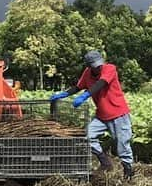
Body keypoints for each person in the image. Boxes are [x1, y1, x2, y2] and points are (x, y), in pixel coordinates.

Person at [50, 50, 134, 178]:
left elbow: (101, 83)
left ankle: (128, 172)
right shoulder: (87, 73)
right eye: (95, 66)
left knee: (122, 145)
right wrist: (64, 94)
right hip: (101, 115)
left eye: (99, 65)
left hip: (118, 114)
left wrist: (85, 96)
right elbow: (78, 87)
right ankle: (105, 163)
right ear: (89, 66)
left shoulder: (109, 68)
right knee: (89, 136)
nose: (98, 68)